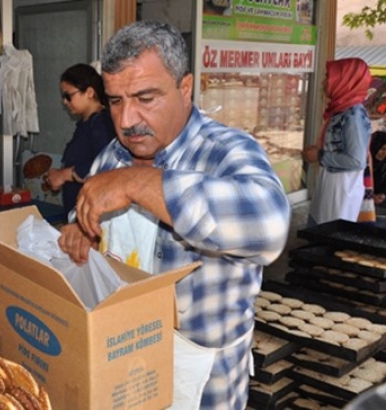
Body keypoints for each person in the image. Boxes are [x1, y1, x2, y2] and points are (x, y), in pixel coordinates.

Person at [57, 21, 290, 409]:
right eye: (115, 101)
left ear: (185, 89)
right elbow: (96, 218)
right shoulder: (112, 155)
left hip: (204, 384)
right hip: (125, 366)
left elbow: (270, 225)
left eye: (145, 97)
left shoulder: (224, 151)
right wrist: (82, 228)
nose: (127, 120)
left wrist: (140, 183)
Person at [303, 58, 372, 226]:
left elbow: (356, 161)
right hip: (331, 187)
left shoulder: (352, 117)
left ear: (345, 81)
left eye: (329, 76)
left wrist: (320, 156)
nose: (324, 82)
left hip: (341, 193)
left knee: (328, 241)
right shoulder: (342, 110)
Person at [45, 63, 117, 216]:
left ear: (89, 92)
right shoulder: (85, 124)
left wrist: (64, 175)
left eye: (68, 96)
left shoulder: (101, 124)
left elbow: (106, 167)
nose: (64, 101)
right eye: (63, 97)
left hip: (94, 215)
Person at [370, 131, 386, 205]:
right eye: (382, 149)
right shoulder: (364, 163)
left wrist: (383, 194)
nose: (385, 153)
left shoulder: (384, 164)